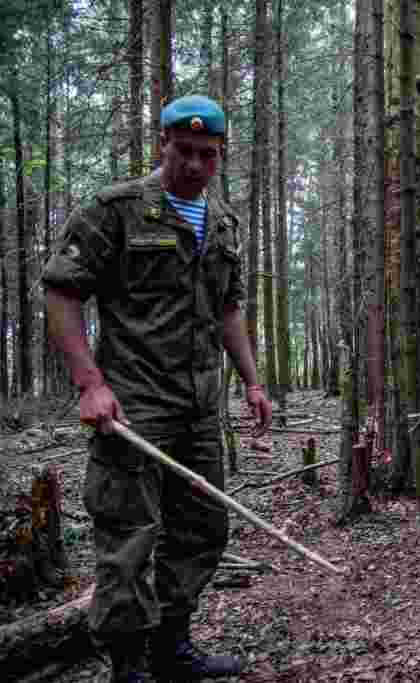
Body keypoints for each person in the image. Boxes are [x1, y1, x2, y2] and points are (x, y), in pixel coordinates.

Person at [43, 95, 273, 683]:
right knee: (128, 535)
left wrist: (251, 382)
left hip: (199, 406)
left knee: (202, 529)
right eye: (185, 151)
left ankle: (173, 648)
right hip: (133, 405)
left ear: (221, 156)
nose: (195, 165)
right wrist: (89, 383)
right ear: (162, 146)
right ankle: (129, 665)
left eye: (209, 155)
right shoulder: (114, 211)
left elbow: (228, 309)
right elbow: (62, 292)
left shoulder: (222, 223)